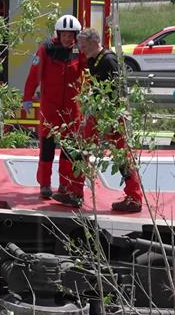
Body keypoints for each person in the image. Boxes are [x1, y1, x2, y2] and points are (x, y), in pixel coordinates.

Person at [73, 28, 143, 212]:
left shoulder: (108, 61)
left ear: (94, 42)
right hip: (99, 112)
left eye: (84, 44)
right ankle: (75, 191)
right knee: (82, 147)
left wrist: (110, 121)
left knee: (122, 156)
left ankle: (134, 197)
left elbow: (117, 92)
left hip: (111, 115)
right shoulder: (93, 60)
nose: (81, 48)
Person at [23, 14, 86, 199]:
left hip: (72, 109)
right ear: (58, 34)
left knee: (69, 150)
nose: (68, 38)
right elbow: (34, 73)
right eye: (64, 34)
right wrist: (27, 96)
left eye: (71, 35)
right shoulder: (46, 49)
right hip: (50, 108)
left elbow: (87, 72)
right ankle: (44, 184)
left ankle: (66, 186)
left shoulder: (78, 51)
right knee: (48, 147)